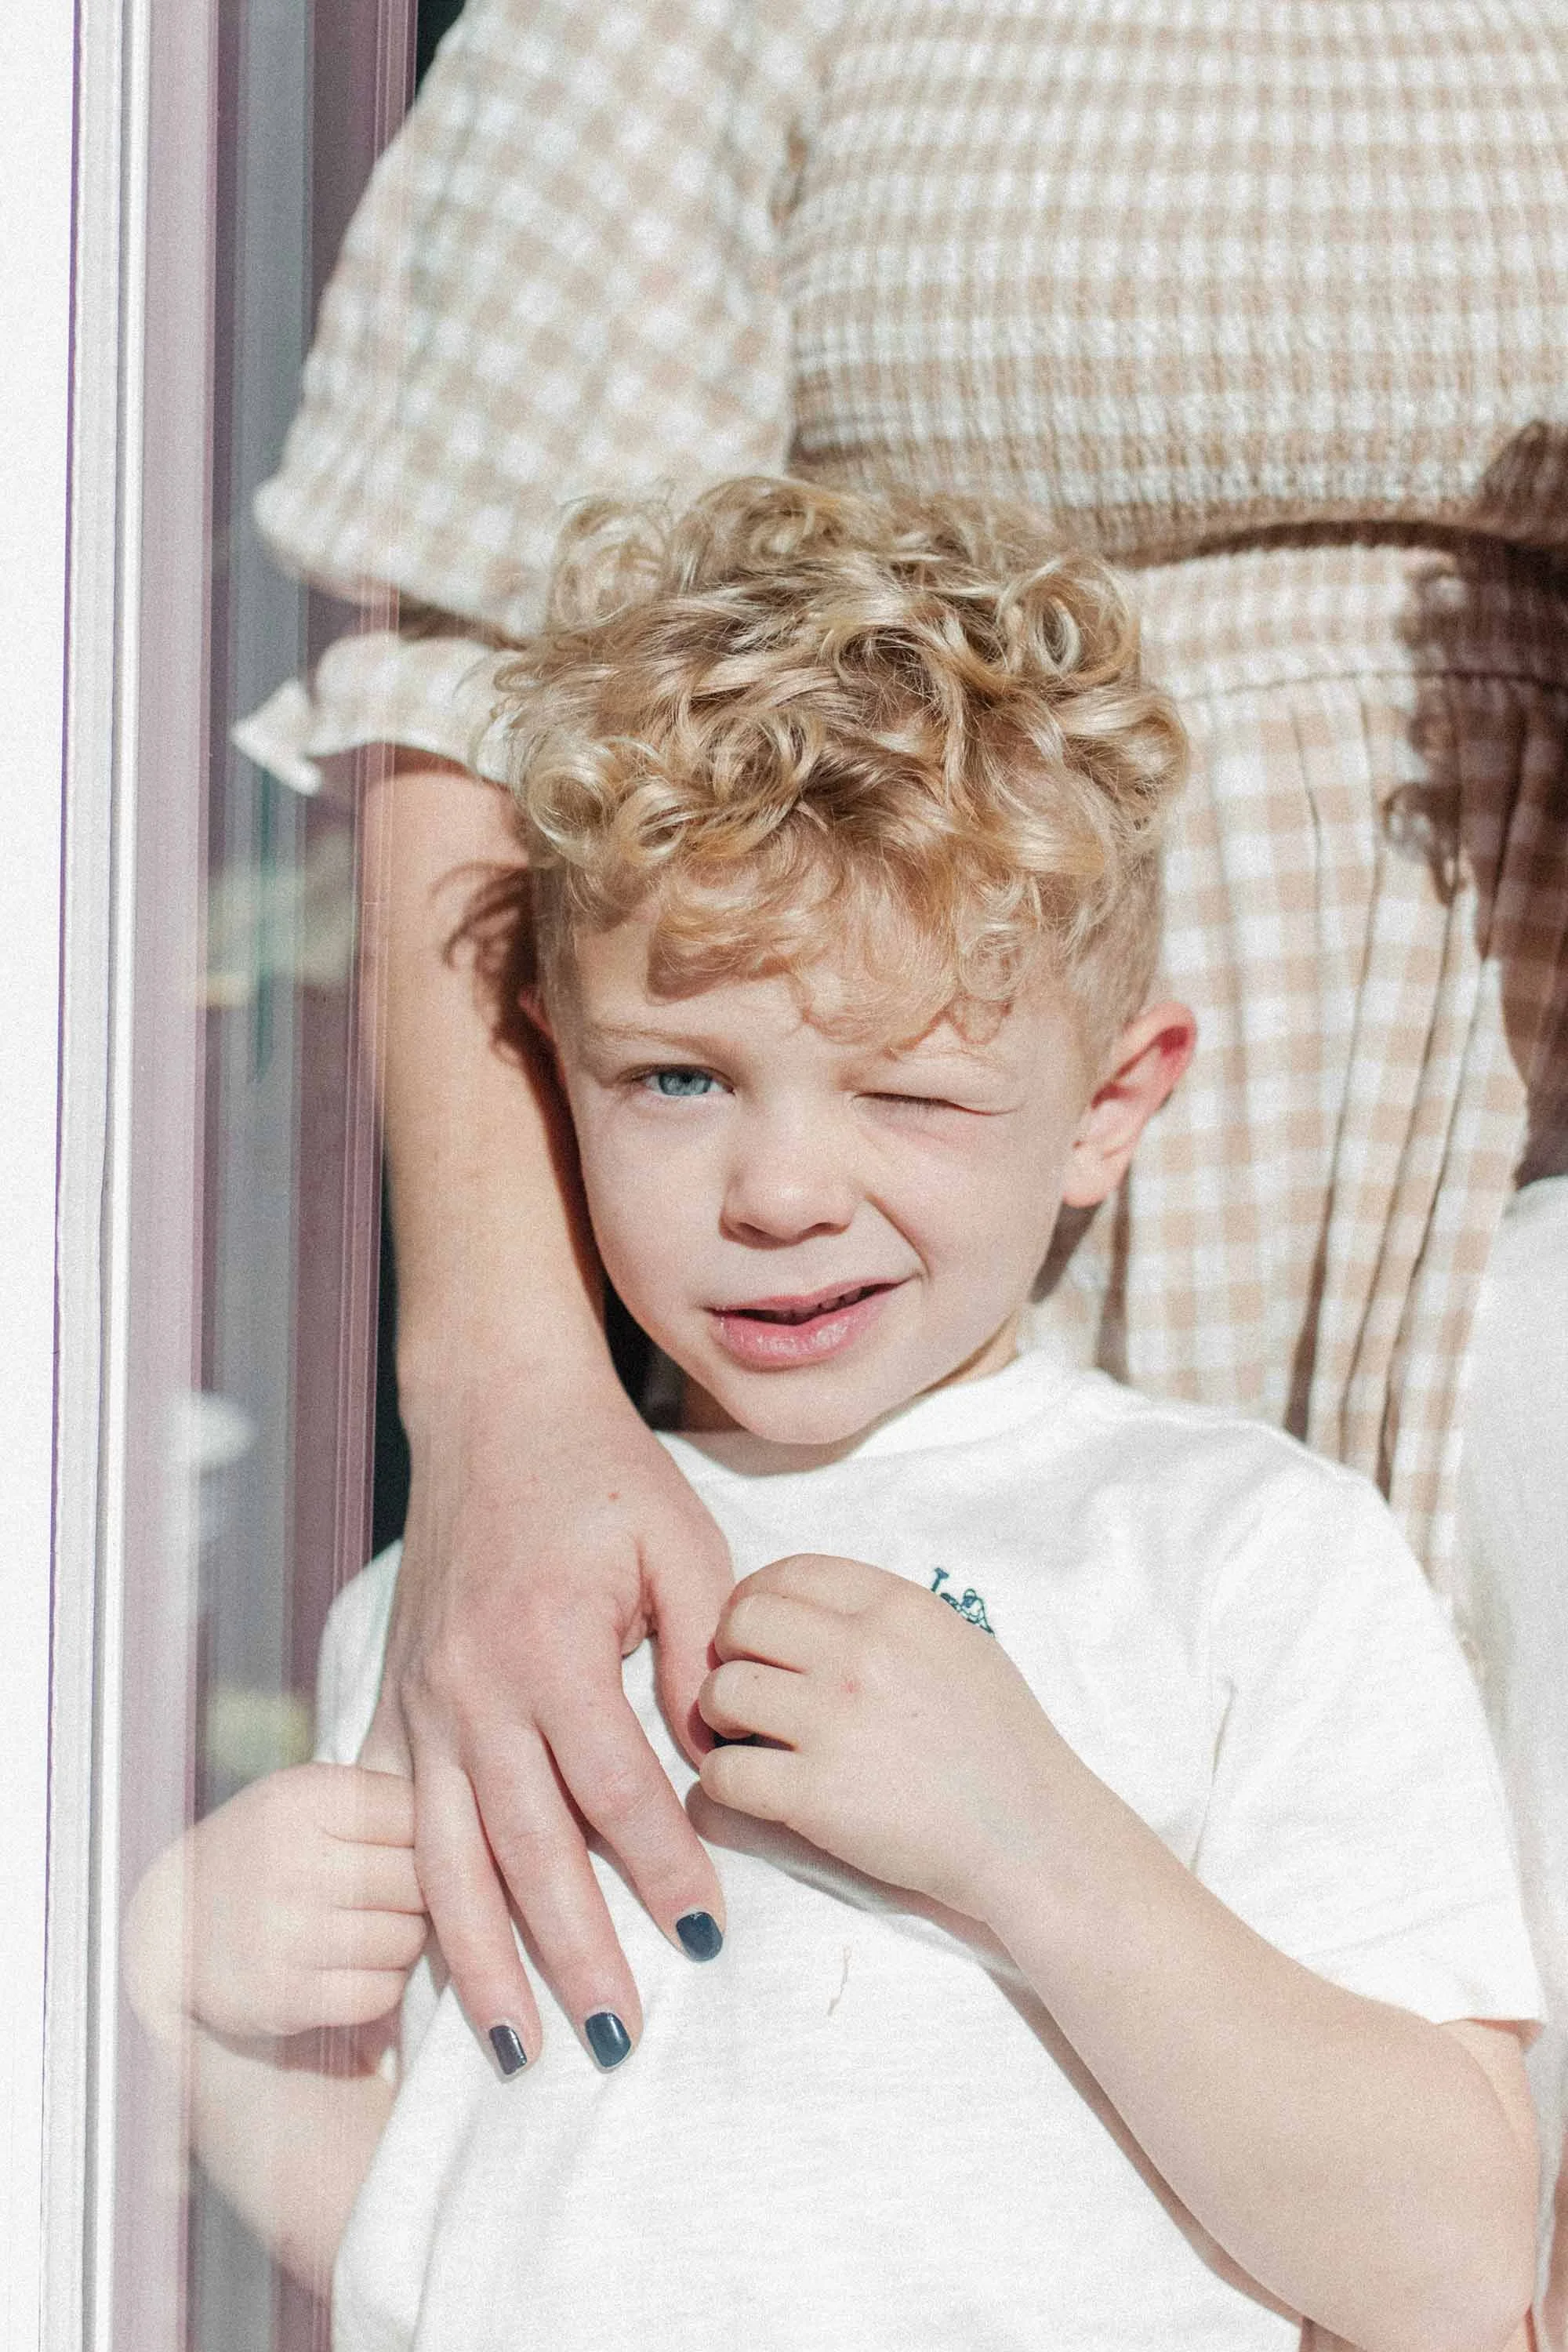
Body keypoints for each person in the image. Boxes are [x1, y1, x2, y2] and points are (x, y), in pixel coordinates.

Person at [238, 14, 1568, 2249]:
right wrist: (512, 1405)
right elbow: (468, 2228)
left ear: (1120, 1093)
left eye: (888, 1095)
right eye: (675, 1082)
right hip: (1061, 1229)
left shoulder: (1245, 1552)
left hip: (1510, 1262)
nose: (776, 1189)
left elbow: (1451, 2238)